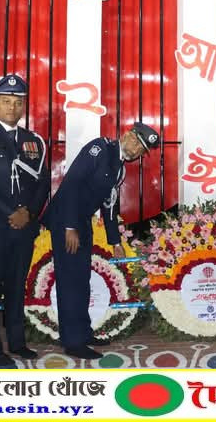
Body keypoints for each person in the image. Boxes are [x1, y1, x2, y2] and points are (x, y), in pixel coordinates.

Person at [41, 122, 159, 359]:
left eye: (142, 150)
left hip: (82, 221)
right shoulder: (99, 149)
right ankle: (73, 342)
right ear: (127, 135)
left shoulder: (119, 168)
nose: (137, 150)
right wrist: (70, 226)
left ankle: (83, 333)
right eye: (137, 143)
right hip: (66, 220)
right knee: (70, 280)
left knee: (82, 279)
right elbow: (72, 183)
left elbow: (110, 205)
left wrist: (115, 242)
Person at [0, 74, 50, 368]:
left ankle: (17, 342)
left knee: (17, 286)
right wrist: (10, 212)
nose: (12, 107)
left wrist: (29, 213)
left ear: (23, 105)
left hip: (24, 227)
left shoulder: (33, 141)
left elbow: (43, 182)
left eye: (17, 102)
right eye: (6, 102)